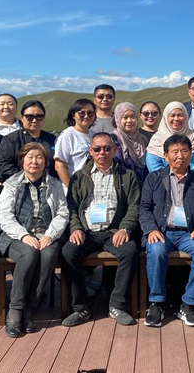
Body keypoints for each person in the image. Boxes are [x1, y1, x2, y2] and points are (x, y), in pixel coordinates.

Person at [61, 133, 141, 327]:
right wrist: (76, 228)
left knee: (129, 251)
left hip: (113, 232)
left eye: (107, 148)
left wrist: (124, 228)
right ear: (91, 151)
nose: (102, 152)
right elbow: (72, 207)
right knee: (68, 252)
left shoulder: (127, 175)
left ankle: (117, 305)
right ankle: (81, 307)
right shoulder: (79, 176)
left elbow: (134, 206)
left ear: (114, 150)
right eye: (97, 149)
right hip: (86, 232)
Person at [140, 135, 194, 327]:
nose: (180, 156)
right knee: (156, 251)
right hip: (162, 231)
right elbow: (144, 208)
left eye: (184, 151)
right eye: (175, 151)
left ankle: (189, 304)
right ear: (166, 156)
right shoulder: (154, 178)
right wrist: (151, 230)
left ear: (191, 154)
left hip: (189, 233)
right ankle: (157, 303)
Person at [0, 142, 68, 337]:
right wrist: (24, 235)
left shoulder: (54, 184)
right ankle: (16, 310)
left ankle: (30, 308)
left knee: (49, 254)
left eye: (39, 157)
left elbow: (62, 213)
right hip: (16, 235)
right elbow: (5, 216)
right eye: (30, 157)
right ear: (22, 161)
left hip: (47, 233)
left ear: (46, 161)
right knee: (28, 254)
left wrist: (50, 235)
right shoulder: (12, 184)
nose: (34, 161)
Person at [0, 100, 58, 183]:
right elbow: (4, 165)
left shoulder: (53, 139)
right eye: (29, 116)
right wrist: (27, 180)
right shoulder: (11, 140)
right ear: (22, 118)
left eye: (39, 116)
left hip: (50, 184)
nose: (34, 120)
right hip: (19, 185)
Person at [145, 102, 194, 176]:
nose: (176, 119)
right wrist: (176, 174)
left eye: (180, 115)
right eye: (172, 115)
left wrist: (181, 171)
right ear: (166, 117)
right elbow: (154, 169)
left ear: (186, 116)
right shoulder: (157, 139)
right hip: (165, 182)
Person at [54, 99, 96, 186]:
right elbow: (59, 166)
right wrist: (72, 189)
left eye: (90, 113)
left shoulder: (94, 135)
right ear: (73, 115)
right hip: (75, 186)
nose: (86, 116)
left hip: (93, 186)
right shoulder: (66, 136)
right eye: (81, 113)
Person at [111, 102, 149, 181]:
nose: (129, 120)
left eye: (133, 117)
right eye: (125, 117)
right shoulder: (113, 139)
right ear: (118, 119)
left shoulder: (143, 139)